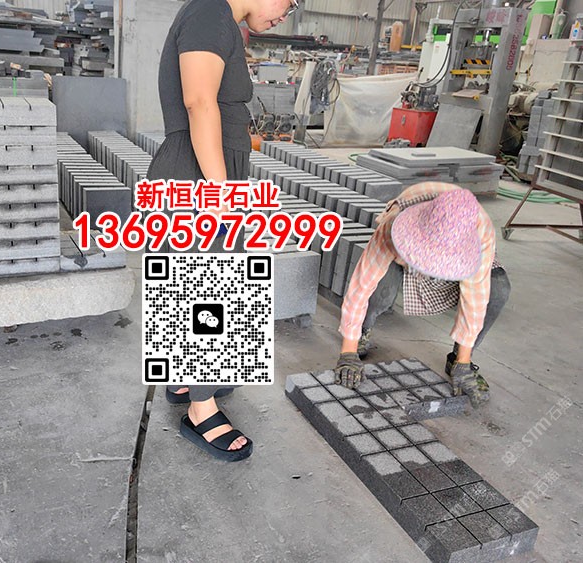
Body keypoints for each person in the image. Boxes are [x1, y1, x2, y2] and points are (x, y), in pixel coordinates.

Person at [147, 0, 299, 461]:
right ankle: (201, 410)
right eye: (289, 1)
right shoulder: (210, 12)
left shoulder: (218, 20)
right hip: (198, 176)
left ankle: (185, 380)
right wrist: (221, 194)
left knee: (192, 288)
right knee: (211, 293)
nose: (287, 13)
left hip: (201, 172)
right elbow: (198, 101)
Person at [332, 183, 511, 407]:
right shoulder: (395, 224)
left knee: (498, 289)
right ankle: (361, 333)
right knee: (381, 290)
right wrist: (348, 351)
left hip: (465, 246)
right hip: (410, 236)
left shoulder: (480, 232)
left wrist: (464, 363)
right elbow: (361, 285)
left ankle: (459, 358)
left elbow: (475, 299)